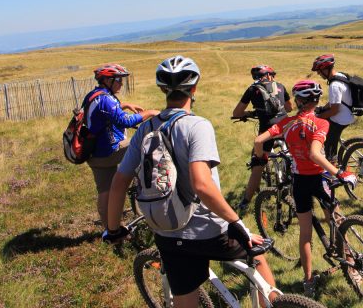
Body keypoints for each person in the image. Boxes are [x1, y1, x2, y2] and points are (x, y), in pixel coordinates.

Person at [103, 56, 277, 308]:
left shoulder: (144, 129)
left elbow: (120, 181)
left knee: (185, 298)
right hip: (209, 229)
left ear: (162, 89)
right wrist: (237, 222)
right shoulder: (197, 126)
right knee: (257, 256)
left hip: (167, 232)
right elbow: (202, 185)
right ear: (194, 89)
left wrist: (114, 228)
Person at [253, 80, 356, 297]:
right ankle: (351, 263)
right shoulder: (321, 123)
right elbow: (316, 154)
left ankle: (308, 280)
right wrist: (340, 173)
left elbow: (259, 139)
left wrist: (262, 155)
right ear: (316, 100)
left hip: (300, 182)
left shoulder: (286, 123)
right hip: (321, 179)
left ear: (299, 101)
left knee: (305, 233)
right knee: (336, 220)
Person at [86, 63, 158, 231]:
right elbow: (126, 121)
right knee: (146, 143)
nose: (121, 83)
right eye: (118, 79)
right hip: (109, 150)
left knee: (104, 192)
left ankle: (111, 231)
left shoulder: (95, 95)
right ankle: (150, 184)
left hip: (94, 154)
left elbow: (104, 112)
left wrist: (124, 105)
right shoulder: (107, 100)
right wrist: (150, 113)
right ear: (108, 81)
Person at [232, 65, 292, 211]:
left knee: (258, 165)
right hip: (286, 127)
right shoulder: (280, 86)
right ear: (270, 75)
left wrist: (249, 114)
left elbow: (237, 112)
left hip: (268, 130)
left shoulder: (253, 89)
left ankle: (245, 201)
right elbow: (289, 108)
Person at [311, 54, 354, 164]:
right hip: (348, 115)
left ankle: (331, 164)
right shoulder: (341, 76)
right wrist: (322, 108)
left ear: (326, 69)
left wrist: (318, 117)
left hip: (340, 119)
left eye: (320, 71)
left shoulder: (334, 85)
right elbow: (335, 101)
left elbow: (334, 110)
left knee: (328, 141)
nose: (318, 74)